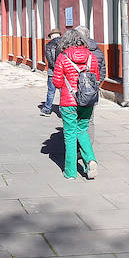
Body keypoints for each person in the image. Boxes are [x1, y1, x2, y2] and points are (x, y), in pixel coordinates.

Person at [52, 29, 101, 179]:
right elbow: (96, 78)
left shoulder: (63, 57)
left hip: (69, 101)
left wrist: (68, 87)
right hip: (87, 100)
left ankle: (71, 172)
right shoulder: (91, 57)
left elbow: (57, 81)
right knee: (82, 130)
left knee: (70, 135)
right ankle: (91, 160)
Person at [39, 29, 64, 115]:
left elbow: (49, 59)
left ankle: (48, 108)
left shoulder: (49, 45)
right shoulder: (64, 45)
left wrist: (55, 67)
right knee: (62, 92)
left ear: (52, 36)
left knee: (51, 91)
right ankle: (62, 110)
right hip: (62, 72)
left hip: (52, 72)